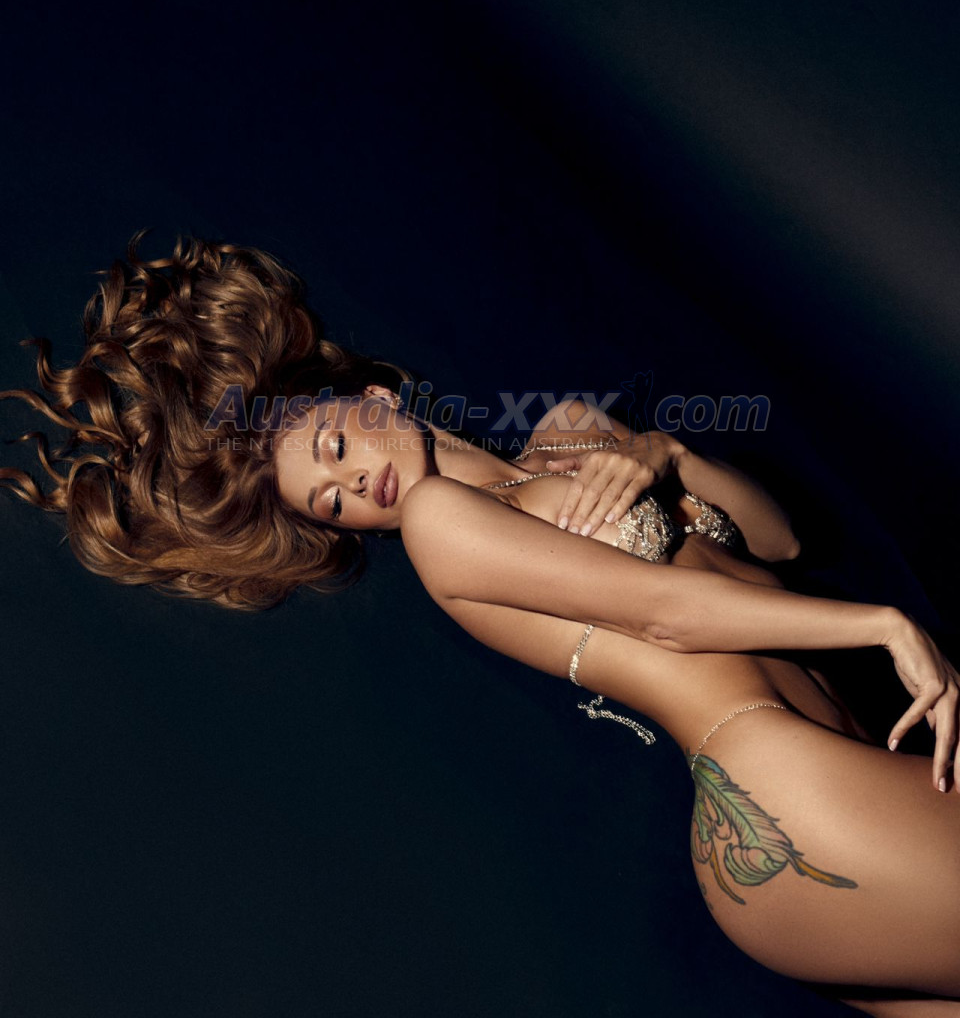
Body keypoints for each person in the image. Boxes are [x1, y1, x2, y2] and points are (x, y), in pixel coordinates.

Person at [3, 235, 960, 1018]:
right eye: (330, 501)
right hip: (784, 800)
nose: (353, 483)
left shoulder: (568, 437)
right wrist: (881, 626)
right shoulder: (440, 527)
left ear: (371, 397)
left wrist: (664, 454)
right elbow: (666, 615)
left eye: (333, 447)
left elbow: (779, 542)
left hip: (816, 777)